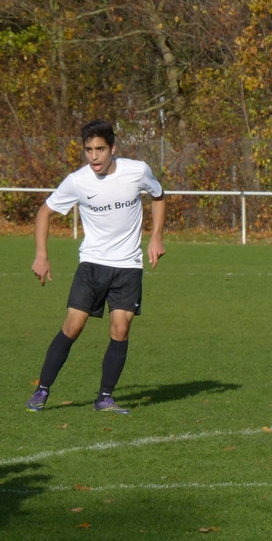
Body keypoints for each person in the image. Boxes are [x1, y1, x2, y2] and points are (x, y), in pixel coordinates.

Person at [26, 118, 166, 415]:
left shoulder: (137, 171)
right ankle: (42, 390)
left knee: (121, 329)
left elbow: (158, 196)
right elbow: (44, 212)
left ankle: (104, 398)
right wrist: (41, 255)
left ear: (113, 148)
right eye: (88, 150)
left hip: (128, 266)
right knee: (72, 327)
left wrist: (156, 237)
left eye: (100, 149)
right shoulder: (78, 181)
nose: (94, 157)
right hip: (92, 264)